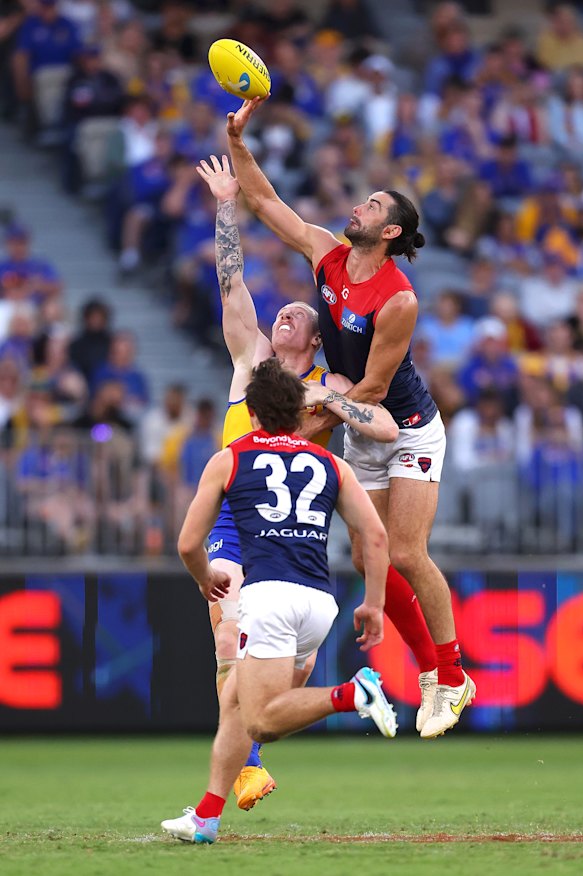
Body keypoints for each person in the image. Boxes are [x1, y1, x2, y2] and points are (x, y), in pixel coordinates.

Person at [227, 98, 476, 739]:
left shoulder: (398, 298)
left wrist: (313, 404)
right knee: (376, 554)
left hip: (407, 424)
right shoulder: (330, 258)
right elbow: (267, 204)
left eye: (372, 205)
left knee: (410, 551)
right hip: (358, 420)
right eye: (362, 201)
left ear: (390, 230)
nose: (358, 207)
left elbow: (371, 388)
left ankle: (451, 675)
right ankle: (433, 673)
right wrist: (238, 143)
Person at [186, 153, 400, 813]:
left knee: (263, 693)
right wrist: (227, 204)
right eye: (279, 314)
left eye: (296, 318)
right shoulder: (250, 362)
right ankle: (239, 777)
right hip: (232, 522)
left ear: (314, 339)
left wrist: (339, 403)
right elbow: (230, 284)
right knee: (228, 642)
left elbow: (382, 425)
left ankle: (243, 766)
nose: (282, 318)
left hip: (292, 540)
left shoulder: (326, 390)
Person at [161, 357, 397, 844]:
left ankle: (353, 694)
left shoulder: (231, 457)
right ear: (301, 413)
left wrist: (205, 577)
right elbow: (375, 536)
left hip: (269, 598)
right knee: (233, 701)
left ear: (252, 411)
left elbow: (188, 543)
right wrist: (373, 603)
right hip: (320, 603)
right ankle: (206, 817)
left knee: (261, 721)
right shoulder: (331, 463)